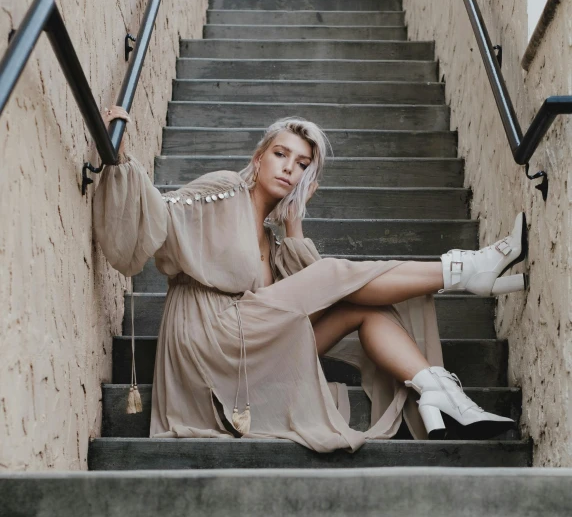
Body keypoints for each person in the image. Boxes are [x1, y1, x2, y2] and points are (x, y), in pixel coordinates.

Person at [93, 106, 527, 450]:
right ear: (259, 158)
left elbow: (316, 293)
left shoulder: (276, 242)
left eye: (302, 165)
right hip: (211, 340)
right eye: (281, 155)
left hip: (254, 356)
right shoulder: (225, 192)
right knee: (334, 272)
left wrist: (294, 224)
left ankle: (441, 393)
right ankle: (466, 271)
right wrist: (123, 159)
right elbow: (162, 218)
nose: (289, 169)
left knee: (366, 311)